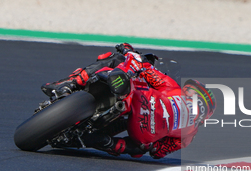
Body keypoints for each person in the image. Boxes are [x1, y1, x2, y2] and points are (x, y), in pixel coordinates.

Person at [41, 43, 216, 159]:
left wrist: (128, 50)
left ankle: (68, 84)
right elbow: (157, 152)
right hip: (143, 133)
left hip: (141, 99)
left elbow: (144, 68)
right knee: (140, 149)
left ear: (191, 91)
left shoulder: (174, 89)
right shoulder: (189, 134)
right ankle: (105, 142)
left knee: (115, 59)